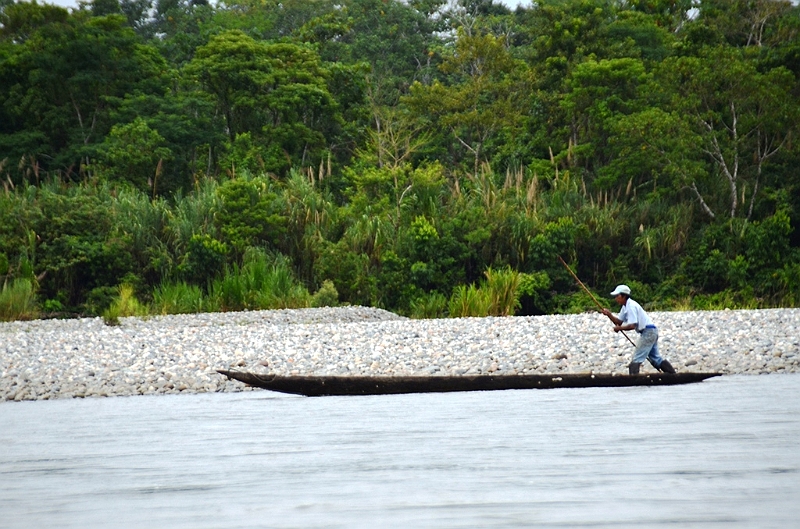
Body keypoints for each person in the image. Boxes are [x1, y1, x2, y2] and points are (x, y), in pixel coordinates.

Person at [601, 284, 676, 375]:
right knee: (656, 359)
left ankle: (634, 380)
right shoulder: (625, 307)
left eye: (617, 296)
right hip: (651, 331)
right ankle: (672, 374)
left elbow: (632, 325)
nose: (616, 298)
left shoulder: (631, 306)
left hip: (648, 332)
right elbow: (618, 322)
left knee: (636, 359)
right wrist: (609, 314)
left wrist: (619, 328)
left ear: (624, 296)